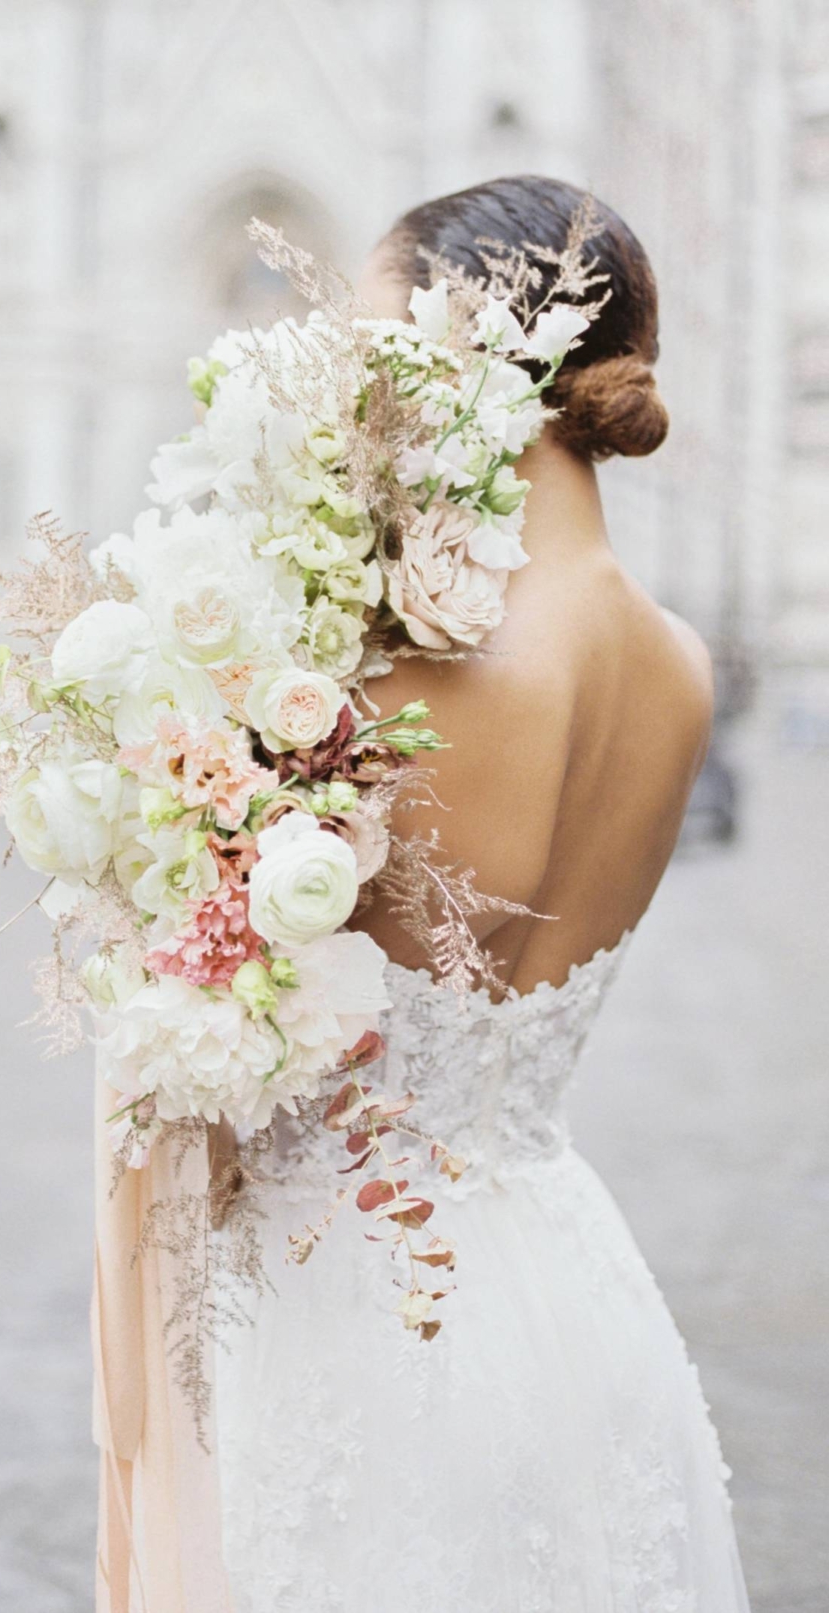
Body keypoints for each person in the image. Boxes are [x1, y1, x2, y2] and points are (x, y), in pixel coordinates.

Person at [213, 176, 752, 1611]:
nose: (352, 380)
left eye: (379, 338)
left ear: (466, 353)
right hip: (565, 1280)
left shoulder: (445, 672)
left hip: (380, 1306)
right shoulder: (677, 660)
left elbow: (306, 1013)